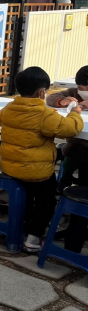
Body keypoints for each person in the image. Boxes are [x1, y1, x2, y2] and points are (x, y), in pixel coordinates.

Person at [0, 67, 84, 252]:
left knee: (27, 196)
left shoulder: (9, 108)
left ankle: (22, 226)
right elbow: (70, 129)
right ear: (42, 92)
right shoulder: (45, 115)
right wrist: (75, 112)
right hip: (36, 172)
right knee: (47, 201)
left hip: (10, 166)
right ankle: (33, 239)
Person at [46, 65, 88, 252]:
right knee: (70, 158)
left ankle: (77, 214)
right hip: (75, 146)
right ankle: (63, 188)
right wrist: (63, 101)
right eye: (80, 87)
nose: (82, 92)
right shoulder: (73, 93)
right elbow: (51, 97)